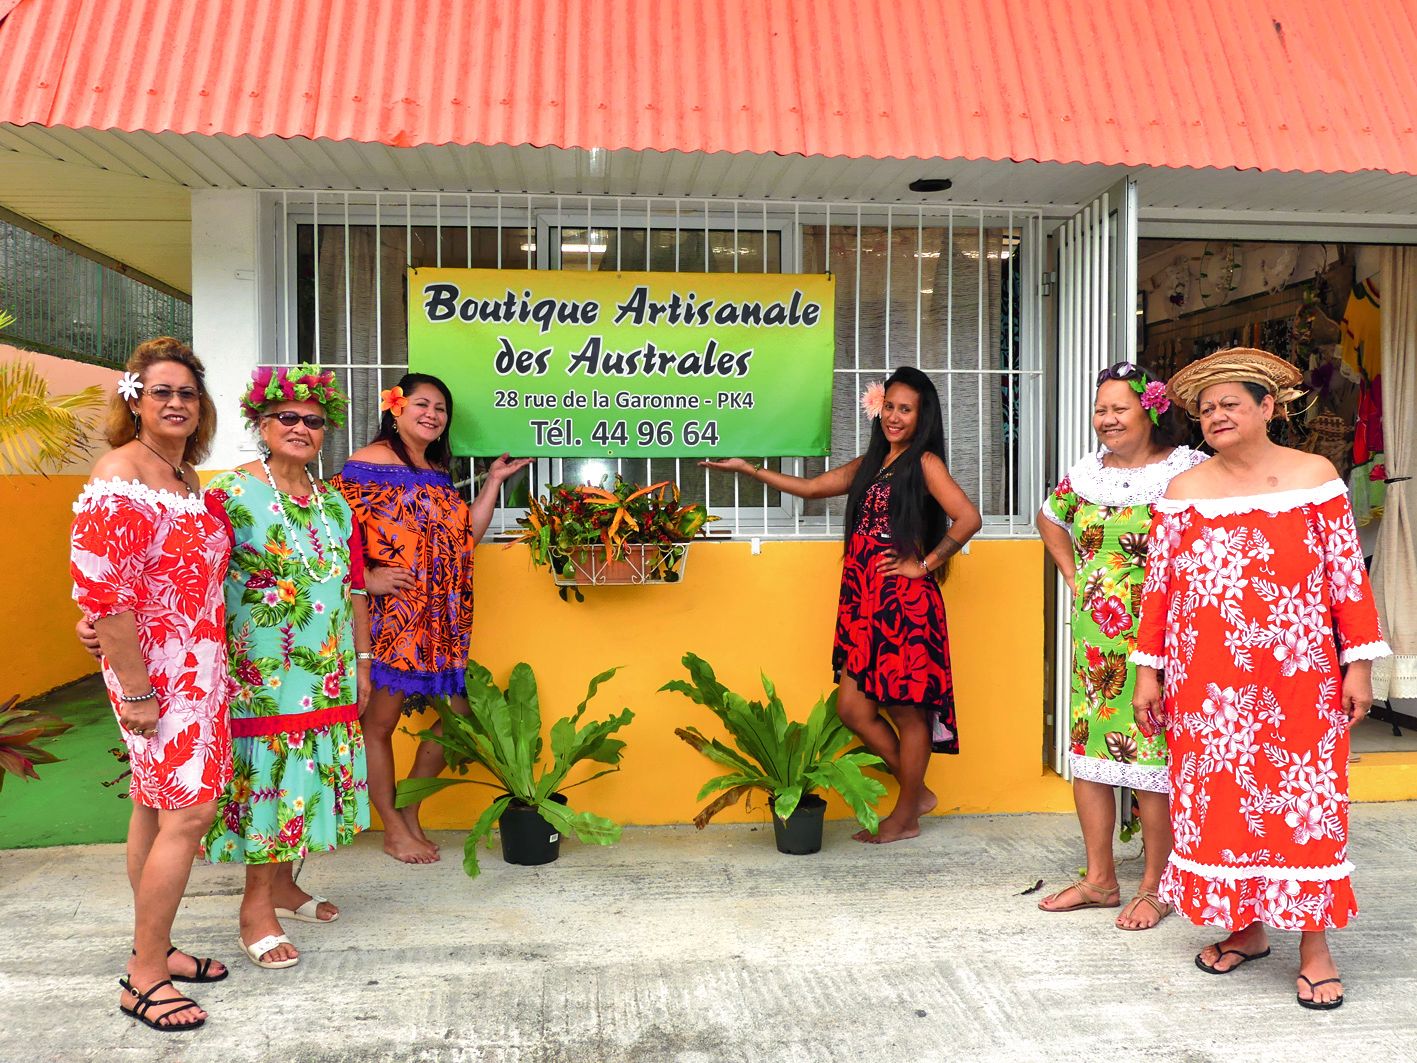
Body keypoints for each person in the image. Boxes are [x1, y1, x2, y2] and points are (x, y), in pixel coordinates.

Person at [1132, 347, 1390, 1010]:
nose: (1216, 416)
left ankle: (1313, 946)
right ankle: (1244, 928)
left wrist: (1356, 663)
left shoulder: (1314, 475)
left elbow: (1345, 578)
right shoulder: (1184, 491)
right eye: (1206, 408)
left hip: (1298, 679)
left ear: (1267, 407)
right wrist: (1148, 673)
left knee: (1304, 807)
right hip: (1206, 690)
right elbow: (1158, 590)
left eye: (1230, 403)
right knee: (1222, 806)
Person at [704, 365, 981, 843]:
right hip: (866, 604)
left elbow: (968, 517)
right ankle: (917, 794)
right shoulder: (872, 463)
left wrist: (926, 564)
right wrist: (750, 470)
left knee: (909, 712)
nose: (894, 417)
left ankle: (906, 815)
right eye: (889, 406)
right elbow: (812, 489)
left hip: (903, 605)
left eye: (905, 409)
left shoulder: (925, 463)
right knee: (853, 707)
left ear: (922, 416)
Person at [70, 337, 231, 1032]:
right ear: (134, 401)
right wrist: (134, 687)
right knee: (189, 814)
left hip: (197, 665)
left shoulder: (184, 478)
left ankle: (154, 947)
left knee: (152, 805)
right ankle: (143, 979)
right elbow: (103, 593)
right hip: (155, 675)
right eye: (161, 391)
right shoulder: (120, 472)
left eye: (186, 393)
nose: (175, 402)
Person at [200, 365, 372, 968]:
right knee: (273, 783)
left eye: (314, 421)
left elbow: (352, 589)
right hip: (262, 675)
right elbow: (197, 582)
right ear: (262, 423)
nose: (301, 428)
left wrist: (365, 661)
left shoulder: (333, 502)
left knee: (304, 783)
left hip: (325, 668)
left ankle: (286, 885)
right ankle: (256, 908)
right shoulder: (226, 493)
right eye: (287, 417)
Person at [332, 373, 530, 863]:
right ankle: (393, 826)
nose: (433, 415)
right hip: (394, 619)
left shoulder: (437, 472)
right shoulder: (368, 463)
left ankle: (409, 812)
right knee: (379, 723)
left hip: (443, 618)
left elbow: (465, 536)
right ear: (395, 408)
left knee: (457, 718)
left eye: (441, 409)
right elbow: (330, 528)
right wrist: (370, 577)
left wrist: (492, 485)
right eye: (422, 404)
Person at [1035, 362, 1206, 929]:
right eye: (1100, 409)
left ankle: (1157, 886)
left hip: (1163, 643)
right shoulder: (1086, 475)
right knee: (1091, 757)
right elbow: (1050, 518)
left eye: (1118, 409)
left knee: (1153, 762)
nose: (1106, 420)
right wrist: (1074, 576)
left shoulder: (1188, 473)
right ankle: (1100, 880)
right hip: (1095, 643)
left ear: (1151, 411)